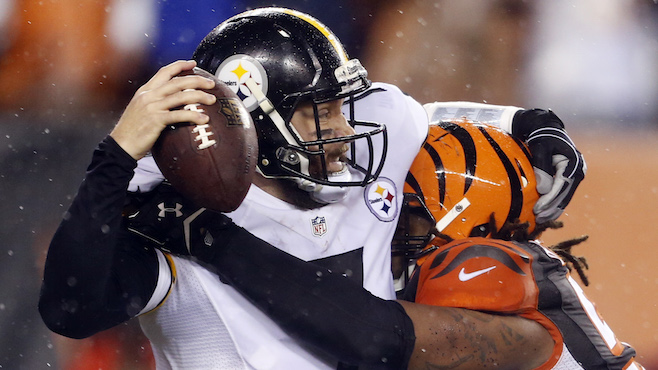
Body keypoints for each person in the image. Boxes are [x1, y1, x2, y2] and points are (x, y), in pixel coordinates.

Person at [38, 7, 586, 369]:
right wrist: (112, 160)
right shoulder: (168, 204)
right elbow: (70, 310)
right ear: (247, 122)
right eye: (320, 114)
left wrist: (534, 126)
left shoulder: (362, 132)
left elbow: (423, 116)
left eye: (340, 108)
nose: (346, 129)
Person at [155, 121, 642, 369]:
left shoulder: (494, 277)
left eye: (408, 213)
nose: (384, 224)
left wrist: (214, 242)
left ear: (468, 228)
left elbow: (377, 337)